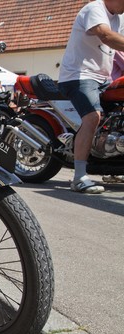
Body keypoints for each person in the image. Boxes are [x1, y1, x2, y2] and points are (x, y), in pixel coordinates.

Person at [58, 0, 124, 193]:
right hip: (79, 76)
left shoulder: (119, 17)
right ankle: (78, 178)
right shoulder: (95, 9)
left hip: (103, 77)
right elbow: (106, 36)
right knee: (92, 116)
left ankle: (114, 165)